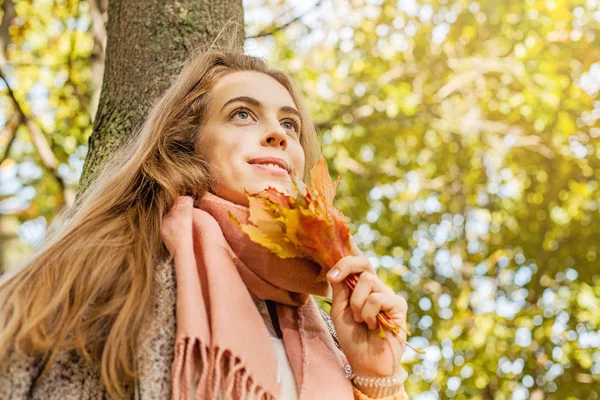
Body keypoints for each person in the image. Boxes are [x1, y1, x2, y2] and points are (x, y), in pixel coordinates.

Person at [0, 48, 410, 399]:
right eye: (243, 114)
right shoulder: (102, 269)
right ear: (187, 146)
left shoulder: (330, 329)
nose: (277, 134)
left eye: (290, 124)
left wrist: (377, 378)